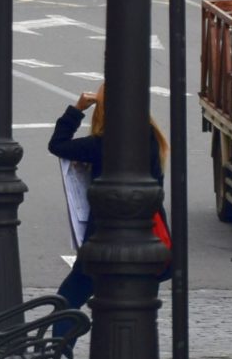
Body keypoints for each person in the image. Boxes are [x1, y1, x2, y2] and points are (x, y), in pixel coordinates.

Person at [49, 85, 168, 312]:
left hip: (104, 241)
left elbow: (57, 144)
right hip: (145, 242)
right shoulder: (151, 138)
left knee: (66, 302)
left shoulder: (101, 144)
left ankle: (59, 348)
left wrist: (77, 109)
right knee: (130, 308)